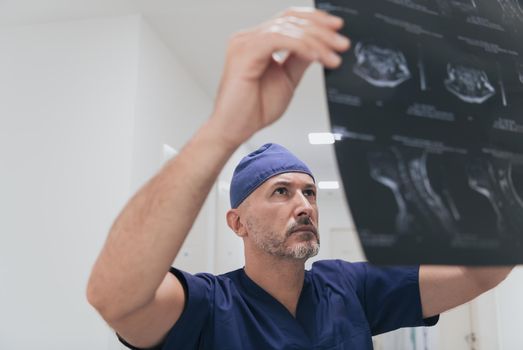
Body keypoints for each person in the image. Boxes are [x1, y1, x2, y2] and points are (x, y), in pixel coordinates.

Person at [86, 7, 514, 350]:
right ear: (238, 223)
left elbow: (479, 275)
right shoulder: (207, 306)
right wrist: (224, 128)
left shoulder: (350, 286)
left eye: (310, 191)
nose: (305, 204)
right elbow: (115, 298)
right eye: (281, 192)